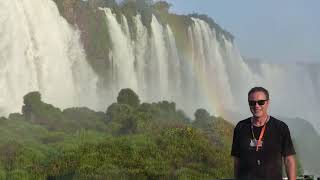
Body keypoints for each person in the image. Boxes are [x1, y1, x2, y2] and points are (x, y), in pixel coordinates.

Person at [231, 87, 296, 180]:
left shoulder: (281, 128)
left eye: (261, 102)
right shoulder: (240, 127)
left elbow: (289, 160)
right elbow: (237, 161)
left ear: (268, 102)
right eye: (252, 103)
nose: (256, 106)